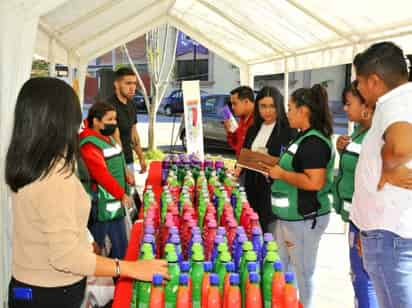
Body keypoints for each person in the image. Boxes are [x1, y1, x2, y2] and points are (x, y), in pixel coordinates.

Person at [5, 78, 168, 308]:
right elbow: (66, 257)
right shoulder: (52, 178)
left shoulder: (31, 164)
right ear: (59, 121)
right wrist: (128, 268)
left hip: (30, 286)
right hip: (51, 293)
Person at [351, 41, 412, 308]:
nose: (359, 89)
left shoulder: (394, 104)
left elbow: (400, 146)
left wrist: (387, 167)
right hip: (388, 232)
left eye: (359, 82)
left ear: (374, 81)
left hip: (390, 236)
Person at [263, 84, 334, 308]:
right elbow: (293, 169)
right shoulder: (302, 138)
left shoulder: (314, 142)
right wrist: (275, 172)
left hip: (304, 219)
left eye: (290, 108)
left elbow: (315, 182)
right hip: (289, 219)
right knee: (286, 269)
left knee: (303, 273)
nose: (287, 113)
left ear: (304, 111)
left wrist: (281, 174)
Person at [332, 81, 378, 308]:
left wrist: (365, 230)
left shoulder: (376, 137)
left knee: (365, 282)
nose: (344, 109)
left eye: (348, 103)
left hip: (367, 225)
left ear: (366, 105)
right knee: (360, 280)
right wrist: (344, 151)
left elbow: (374, 185)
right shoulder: (361, 132)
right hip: (357, 221)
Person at [79, 102, 134, 259]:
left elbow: (118, 156)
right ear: (96, 121)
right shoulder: (89, 143)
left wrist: (126, 172)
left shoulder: (106, 137)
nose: (114, 123)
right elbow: (101, 174)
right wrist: (121, 194)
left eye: (115, 119)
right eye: (109, 120)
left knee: (121, 247)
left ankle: (118, 279)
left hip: (114, 204)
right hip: (102, 204)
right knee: (97, 247)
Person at [240, 86, 296, 233]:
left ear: (279, 106)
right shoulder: (254, 128)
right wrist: (239, 167)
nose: (267, 111)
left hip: (272, 190)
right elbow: (244, 153)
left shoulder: (288, 130)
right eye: (263, 106)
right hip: (252, 187)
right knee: (252, 229)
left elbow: (292, 162)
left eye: (272, 106)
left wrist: (270, 160)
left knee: (270, 233)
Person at [107, 67, 147, 176]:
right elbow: (116, 140)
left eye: (134, 83)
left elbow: (134, 134)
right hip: (114, 163)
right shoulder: (109, 106)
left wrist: (141, 157)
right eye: (128, 83)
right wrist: (124, 168)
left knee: (131, 192)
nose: (132, 87)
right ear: (116, 84)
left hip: (129, 160)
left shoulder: (131, 105)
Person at [224, 86, 255, 158]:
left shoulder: (259, 120)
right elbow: (237, 146)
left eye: (235, 103)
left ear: (246, 102)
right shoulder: (242, 118)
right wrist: (229, 131)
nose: (232, 107)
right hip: (240, 165)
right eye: (231, 104)